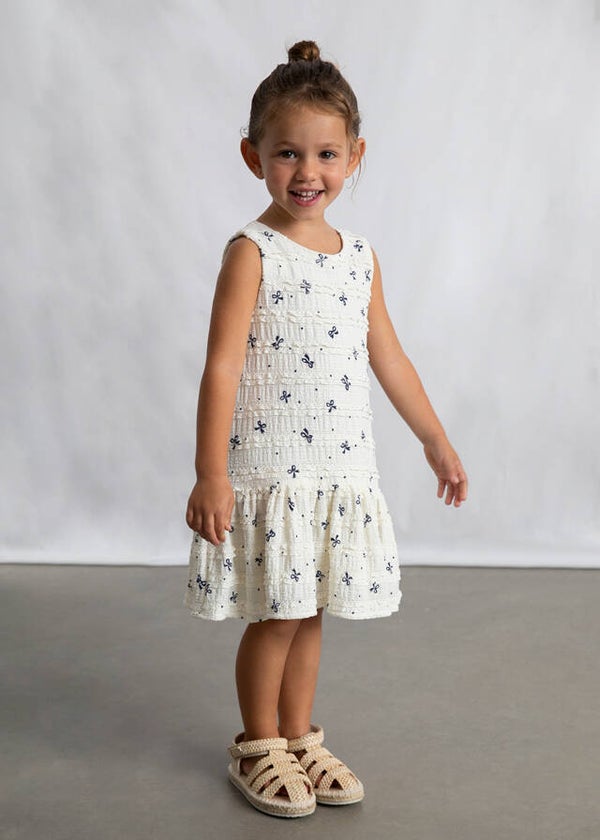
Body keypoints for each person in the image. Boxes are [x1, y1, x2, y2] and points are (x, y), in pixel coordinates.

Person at [184, 39, 468, 819]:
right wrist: (211, 474)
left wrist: (434, 437)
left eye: (325, 154)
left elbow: (390, 356)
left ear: (355, 156)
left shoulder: (360, 258)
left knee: (311, 610)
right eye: (287, 153)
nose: (307, 172)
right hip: (273, 467)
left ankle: (298, 734)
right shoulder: (253, 253)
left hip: (337, 467)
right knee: (277, 613)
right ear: (254, 156)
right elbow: (221, 368)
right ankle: (257, 743)